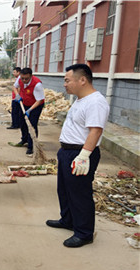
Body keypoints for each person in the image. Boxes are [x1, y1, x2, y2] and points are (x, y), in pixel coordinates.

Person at [46, 64, 109, 248]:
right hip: (67, 151)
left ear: (82, 80)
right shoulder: (80, 100)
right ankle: (68, 220)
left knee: (80, 194)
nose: (64, 84)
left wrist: (84, 156)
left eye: (67, 80)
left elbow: (95, 131)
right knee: (65, 190)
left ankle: (84, 233)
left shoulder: (95, 102)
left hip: (80, 153)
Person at [12, 67, 45, 156]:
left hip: (36, 105)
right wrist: (17, 95)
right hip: (24, 103)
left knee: (32, 124)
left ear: (31, 76)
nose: (24, 80)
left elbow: (39, 100)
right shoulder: (20, 79)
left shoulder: (37, 84)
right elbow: (14, 87)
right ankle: (24, 139)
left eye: (26, 79)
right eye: (22, 78)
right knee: (22, 122)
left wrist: (30, 110)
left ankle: (31, 146)